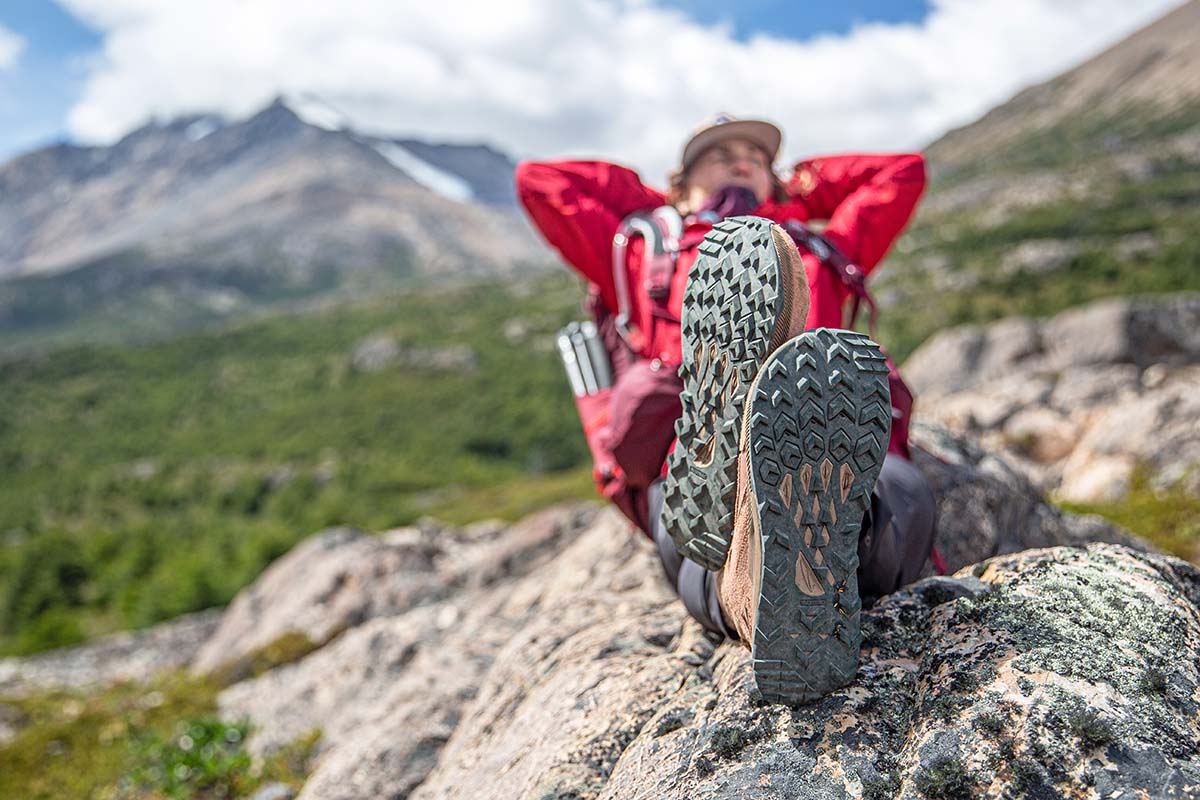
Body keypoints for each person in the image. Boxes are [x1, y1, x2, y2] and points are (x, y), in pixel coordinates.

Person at [516, 114, 936, 705]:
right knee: (692, 522)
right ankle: (768, 575)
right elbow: (540, 181)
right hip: (692, 448)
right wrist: (668, 201)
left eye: (755, 158)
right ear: (683, 181)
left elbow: (903, 172)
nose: (741, 162)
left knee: (898, 495)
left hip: (831, 436)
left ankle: (787, 571)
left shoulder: (820, 244)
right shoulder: (642, 248)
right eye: (719, 156)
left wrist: (795, 189)